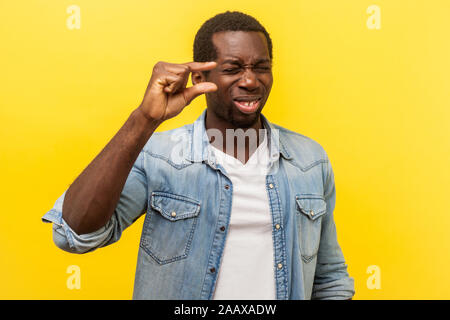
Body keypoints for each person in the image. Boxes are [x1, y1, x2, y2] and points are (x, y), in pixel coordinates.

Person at [42, 11, 354, 300]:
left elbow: (329, 280)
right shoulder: (159, 157)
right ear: (200, 79)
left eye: (262, 68)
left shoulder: (309, 160)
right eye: (232, 69)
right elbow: (74, 235)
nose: (250, 80)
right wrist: (144, 119)